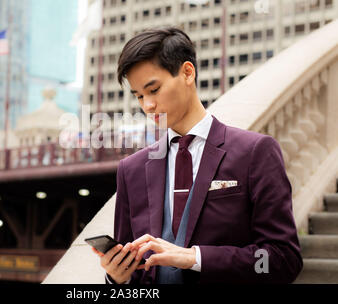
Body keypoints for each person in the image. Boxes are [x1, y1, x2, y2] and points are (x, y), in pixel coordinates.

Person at [91, 27, 303, 284]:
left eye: (154, 90)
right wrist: (116, 278)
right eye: (139, 96)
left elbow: (283, 259)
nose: (147, 106)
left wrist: (195, 258)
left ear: (187, 73)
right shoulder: (131, 169)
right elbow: (135, 274)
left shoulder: (254, 152)